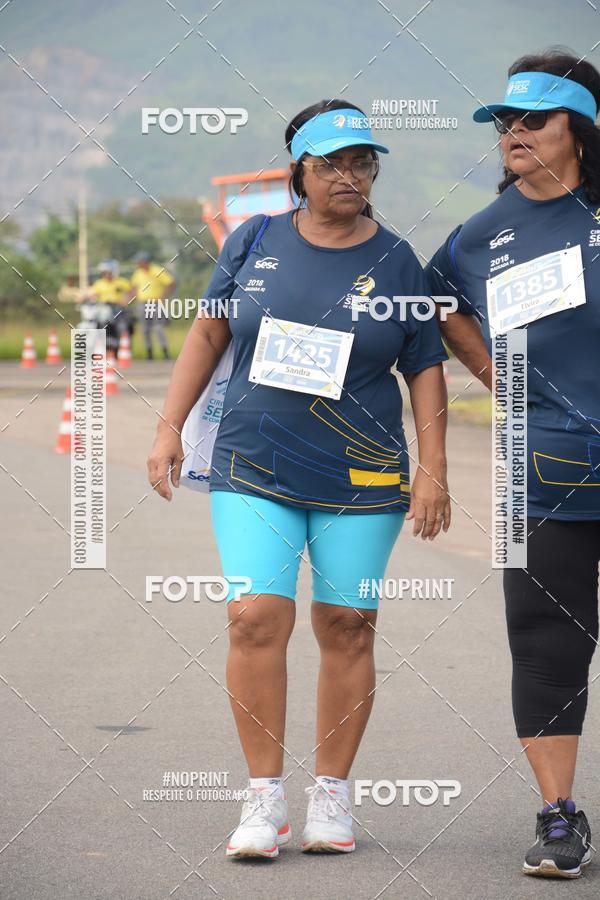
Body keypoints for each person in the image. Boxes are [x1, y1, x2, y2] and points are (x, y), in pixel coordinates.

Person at [148, 99, 450, 859]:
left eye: (361, 162)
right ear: (299, 174)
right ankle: (262, 802)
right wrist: (166, 427)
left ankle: (333, 799)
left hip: (365, 470)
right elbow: (210, 329)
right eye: (331, 164)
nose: (349, 175)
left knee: (347, 626)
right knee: (255, 617)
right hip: (254, 463)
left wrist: (434, 473)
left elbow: (424, 369)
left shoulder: (398, 260)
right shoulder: (255, 240)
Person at [427, 50, 600, 879]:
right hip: (545, 473)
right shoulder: (482, 235)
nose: (514, 133)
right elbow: (436, 303)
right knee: (544, 645)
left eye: (533, 119)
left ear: (579, 129)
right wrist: (498, 378)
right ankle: (560, 819)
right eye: (504, 122)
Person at [130, 251, 174, 359]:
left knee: (158, 327)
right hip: (142, 303)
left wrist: (164, 297)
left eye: (139, 262)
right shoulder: (138, 273)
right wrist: (130, 300)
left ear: (146, 262)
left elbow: (171, 283)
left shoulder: (157, 270)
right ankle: (149, 353)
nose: (138, 264)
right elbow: (134, 288)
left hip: (156, 303)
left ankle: (165, 352)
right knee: (145, 329)